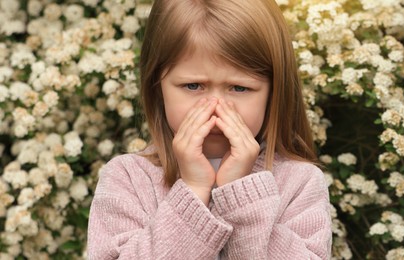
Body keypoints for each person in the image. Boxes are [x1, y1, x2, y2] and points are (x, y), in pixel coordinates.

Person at [87, 0, 332, 259]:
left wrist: (242, 194)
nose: (215, 109)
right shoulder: (128, 179)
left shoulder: (300, 183)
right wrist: (192, 191)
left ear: (274, 92)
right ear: (157, 87)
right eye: (193, 86)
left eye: (239, 88)